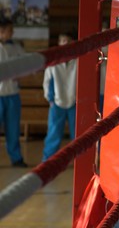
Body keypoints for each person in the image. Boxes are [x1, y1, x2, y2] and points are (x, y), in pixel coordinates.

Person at [42, 31, 78, 161]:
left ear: (73, 43)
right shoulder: (53, 61)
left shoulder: (79, 59)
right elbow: (47, 81)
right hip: (57, 103)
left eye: (68, 41)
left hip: (75, 102)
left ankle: (79, 160)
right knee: (53, 133)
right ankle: (48, 161)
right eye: (63, 41)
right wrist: (50, 99)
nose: (65, 43)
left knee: (78, 134)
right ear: (58, 43)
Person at [0, 18, 27, 167]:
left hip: (12, 94)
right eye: (9, 30)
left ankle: (16, 158)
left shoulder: (17, 48)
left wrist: (20, 74)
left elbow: (26, 65)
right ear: (1, 31)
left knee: (13, 129)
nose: (12, 32)